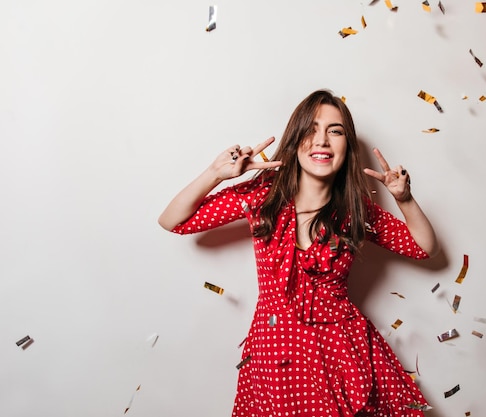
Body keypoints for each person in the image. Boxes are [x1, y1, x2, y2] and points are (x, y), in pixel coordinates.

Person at [158, 89, 439, 417]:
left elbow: (424, 248)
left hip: (343, 352)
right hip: (277, 355)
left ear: (346, 147)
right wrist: (215, 174)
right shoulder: (264, 194)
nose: (321, 140)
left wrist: (404, 199)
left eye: (334, 131)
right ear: (295, 141)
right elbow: (173, 221)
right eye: (310, 130)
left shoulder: (355, 209)